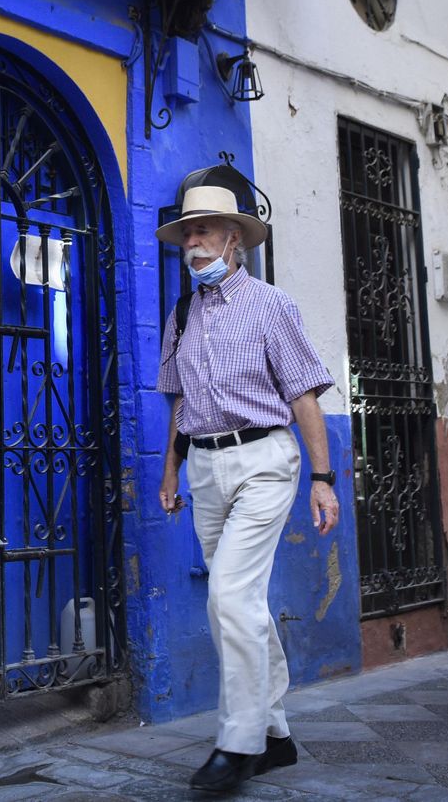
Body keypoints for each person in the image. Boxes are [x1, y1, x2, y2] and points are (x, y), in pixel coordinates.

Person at [154, 184, 340, 793]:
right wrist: (170, 470)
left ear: (234, 239)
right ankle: (279, 733)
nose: (194, 241)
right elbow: (181, 402)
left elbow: (303, 393)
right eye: (187, 231)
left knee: (228, 596)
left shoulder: (271, 305)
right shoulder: (180, 316)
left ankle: (239, 743)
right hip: (205, 468)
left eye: (205, 229)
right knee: (242, 602)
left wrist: (322, 477)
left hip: (265, 459)